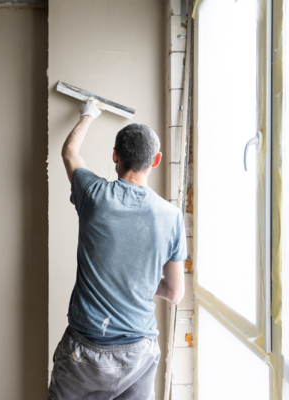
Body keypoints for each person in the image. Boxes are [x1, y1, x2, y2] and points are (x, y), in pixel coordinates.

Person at [47, 98, 188, 400]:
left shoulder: (94, 195)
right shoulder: (171, 217)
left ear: (115, 156)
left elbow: (70, 152)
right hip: (139, 353)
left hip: (85, 352)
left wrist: (88, 114)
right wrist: (140, 283)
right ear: (156, 160)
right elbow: (175, 293)